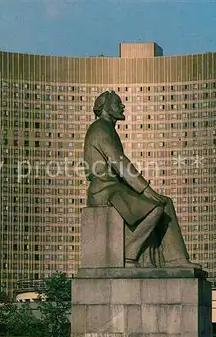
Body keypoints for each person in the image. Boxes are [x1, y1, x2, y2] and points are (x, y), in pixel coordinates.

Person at [83, 89, 201, 269]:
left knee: (166, 203)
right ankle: (130, 254)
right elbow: (120, 163)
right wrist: (146, 190)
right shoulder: (99, 129)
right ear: (104, 108)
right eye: (117, 103)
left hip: (115, 188)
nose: (122, 106)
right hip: (105, 190)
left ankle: (176, 259)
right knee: (155, 207)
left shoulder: (108, 129)